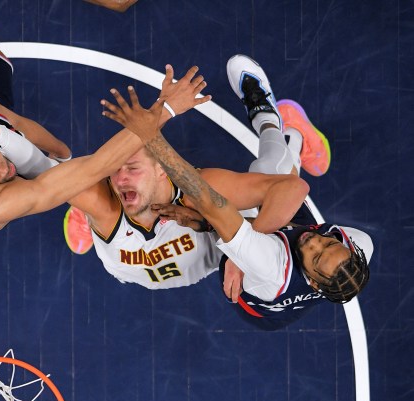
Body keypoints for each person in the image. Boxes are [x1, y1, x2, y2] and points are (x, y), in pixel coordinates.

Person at [99, 54, 372, 331]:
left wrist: (151, 134)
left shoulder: (269, 267)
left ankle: (105, 220)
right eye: (328, 244)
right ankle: (282, 127)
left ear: (314, 282)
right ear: (348, 248)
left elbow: (209, 200)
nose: (315, 241)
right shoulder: (359, 245)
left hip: (259, 294)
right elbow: (294, 189)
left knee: (216, 198)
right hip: (273, 248)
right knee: (275, 178)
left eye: (316, 255)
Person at [0, 0, 209, 232]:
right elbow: (93, 167)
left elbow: (19, 125)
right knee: (49, 179)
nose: (3, 171)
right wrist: (165, 109)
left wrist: (60, 152)